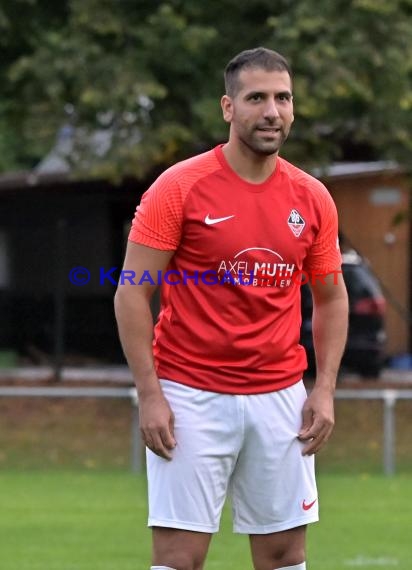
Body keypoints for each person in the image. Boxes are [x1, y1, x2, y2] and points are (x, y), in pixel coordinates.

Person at [114, 47, 349, 570]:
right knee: (180, 558)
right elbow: (132, 291)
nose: (272, 111)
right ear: (228, 107)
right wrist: (150, 396)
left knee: (285, 555)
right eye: (256, 97)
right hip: (190, 396)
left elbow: (331, 296)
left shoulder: (312, 197)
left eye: (283, 98)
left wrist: (325, 389)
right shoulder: (178, 187)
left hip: (281, 400)